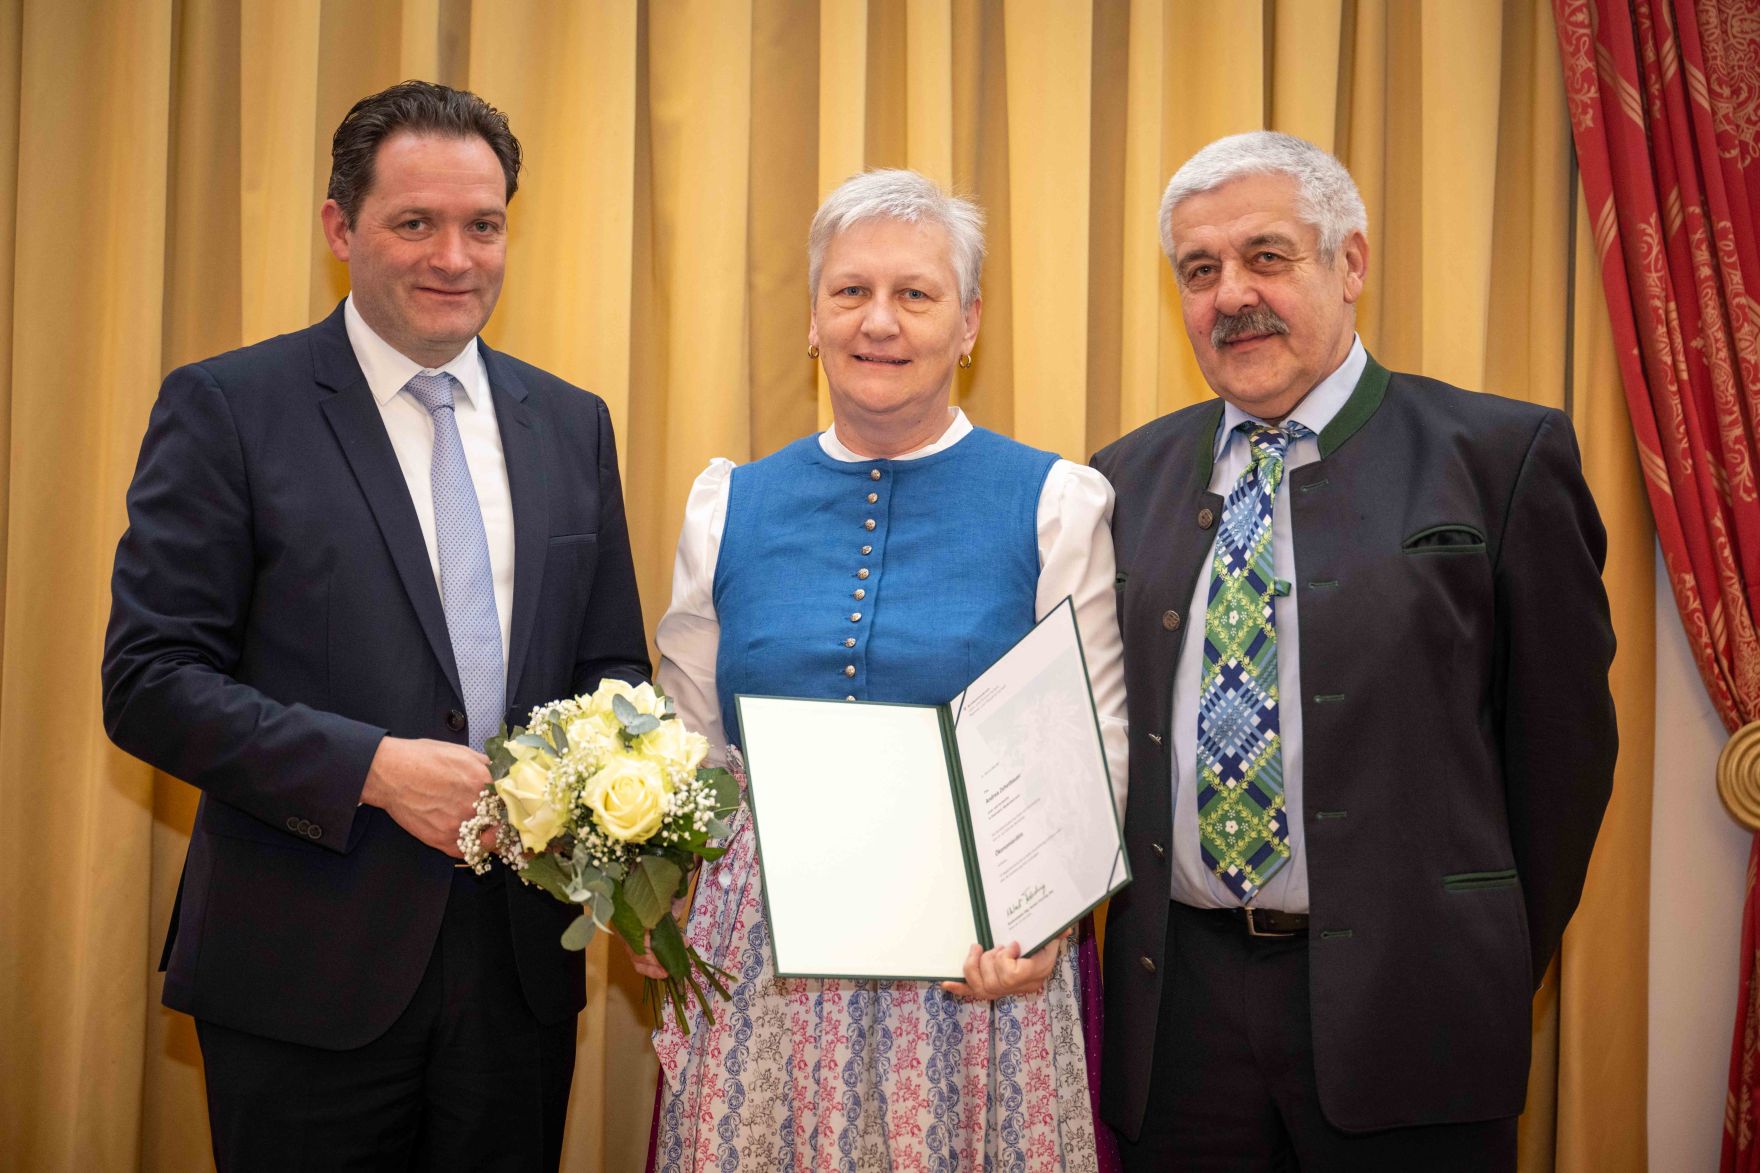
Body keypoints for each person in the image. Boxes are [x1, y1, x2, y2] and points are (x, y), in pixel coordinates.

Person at [101, 81, 649, 1171]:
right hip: (303, 968)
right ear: (340, 229)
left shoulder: (570, 423)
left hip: (519, 975)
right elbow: (149, 680)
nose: (455, 255)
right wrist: (375, 770)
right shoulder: (228, 407)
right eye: (416, 223)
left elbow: (610, 667)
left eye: (482, 225)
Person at [1093, 131, 1618, 1171]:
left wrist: (1472, 947)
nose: (1230, 295)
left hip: (1412, 1011)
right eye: (1199, 272)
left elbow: (1560, 760)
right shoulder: (1121, 480)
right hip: (1180, 1022)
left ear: (1350, 263)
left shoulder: (1498, 459)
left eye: (1266, 256)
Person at [645, 169, 1129, 1171]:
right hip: (761, 960)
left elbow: (1093, 744)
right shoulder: (727, 504)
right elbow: (685, 740)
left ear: (968, 324)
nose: (879, 322)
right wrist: (659, 900)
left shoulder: (1055, 501)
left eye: (915, 294)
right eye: (849, 292)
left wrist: (1042, 926)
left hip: (974, 963)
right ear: (812, 320)